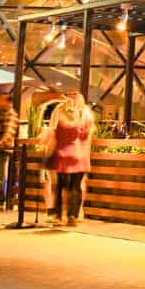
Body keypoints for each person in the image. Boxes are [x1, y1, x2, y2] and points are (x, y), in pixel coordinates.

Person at [48, 91, 93, 227]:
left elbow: (53, 131)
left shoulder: (64, 111)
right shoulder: (85, 114)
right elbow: (87, 135)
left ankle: (63, 216)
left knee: (65, 186)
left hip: (68, 155)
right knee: (71, 186)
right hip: (76, 155)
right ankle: (68, 216)